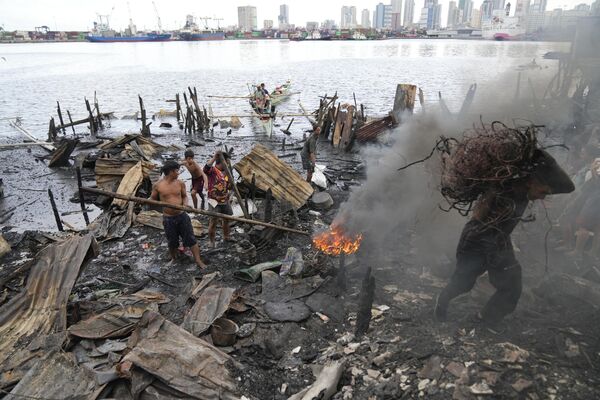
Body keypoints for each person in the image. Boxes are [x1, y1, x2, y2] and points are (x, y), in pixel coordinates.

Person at [434, 150, 574, 327]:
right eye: (543, 191)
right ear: (531, 181)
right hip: (477, 239)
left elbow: (568, 186)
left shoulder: (522, 189)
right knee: (463, 283)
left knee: (512, 286)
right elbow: (485, 224)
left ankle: (484, 321)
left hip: (498, 240)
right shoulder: (504, 189)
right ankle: (442, 301)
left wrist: (542, 160)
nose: (543, 197)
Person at [150, 161, 206, 269]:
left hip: (182, 216)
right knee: (172, 241)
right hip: (168, 219)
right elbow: (153, 199)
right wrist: (149, 202)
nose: (178, 173)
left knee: (191, 239)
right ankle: (174, 259)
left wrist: (185, 205)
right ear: (171, 172)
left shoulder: (180, 183)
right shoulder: (158, 185)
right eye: (176, 171)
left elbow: (185, 196)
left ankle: (198, 260)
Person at [204, 151, 234, 248]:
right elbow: (205, 168)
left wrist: (230, 188)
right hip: (214, 201)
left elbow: (229, 187)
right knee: (213, 222)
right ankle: (211, 241)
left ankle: (226, 236)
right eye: (227, 162)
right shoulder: (213, 171)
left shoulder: (226, 172)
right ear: (223, 161)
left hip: (225, 200)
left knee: (226, 219)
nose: (229, 164)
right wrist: (214, 157)